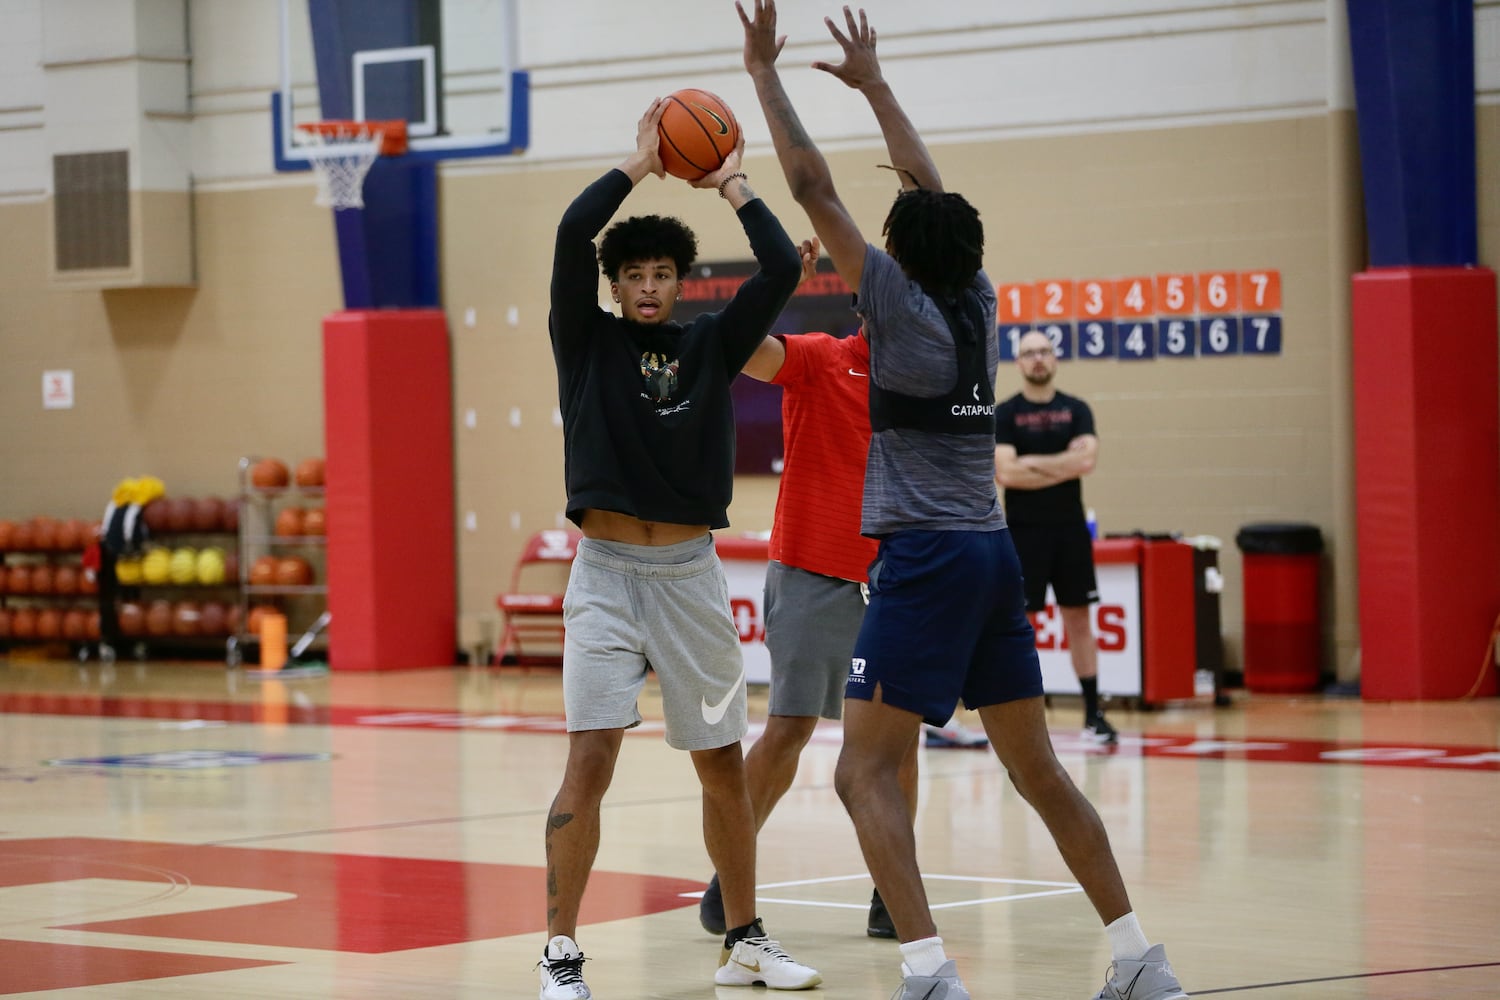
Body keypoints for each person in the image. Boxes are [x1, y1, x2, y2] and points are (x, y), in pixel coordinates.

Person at [738, 4, 1190, 999]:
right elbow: (931, 193)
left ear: (898, 251)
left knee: (860, 774)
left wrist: (762, 72)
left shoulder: (892, 303)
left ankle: (929, 969)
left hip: (929, 560)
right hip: (993, 553)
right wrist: (877, 87)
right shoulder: (980, 298)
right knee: (1039, 770)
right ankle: (1136, 958)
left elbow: (812, 186)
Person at [539, 97, 819, 998]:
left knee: (722, 764)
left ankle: (745, 937)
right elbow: (573, 230)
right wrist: (643, 163)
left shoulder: (712, 345)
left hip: (690, 574)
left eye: (664, 272)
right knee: (591, 759)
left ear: (680, 281)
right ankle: (559, 953)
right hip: (608, 579)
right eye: (635, 275)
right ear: (615, 286)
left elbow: (780, 264)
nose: (650, 286)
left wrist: (730, 179)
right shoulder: (583, 342)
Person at [697, 239, 919, 942]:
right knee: (791, 728)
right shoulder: (824, 357)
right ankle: (732, 873)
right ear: (863, 305)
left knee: (898, 742)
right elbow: (742, 349)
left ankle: (893, 889)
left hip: (895, 579)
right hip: (813, 571)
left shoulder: (924, 383)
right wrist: (774, 278)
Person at [994, 330, 1117, 743]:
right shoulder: (1006, 413)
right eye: (1029, 353)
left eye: (1044, 351)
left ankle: (1093, 714)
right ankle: (1025, 717)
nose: (1038, 359)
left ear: (1055, 357)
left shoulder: (1076, 409)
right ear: (1019, 361)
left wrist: (1034, 464)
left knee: (1079, 620)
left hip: (1069, 531)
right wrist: (1063, 463)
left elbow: (1088, 461)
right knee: (1021, 625)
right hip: (1023, 534)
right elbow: (1007, 473)